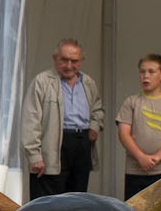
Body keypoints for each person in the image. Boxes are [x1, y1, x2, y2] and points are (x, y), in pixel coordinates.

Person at [20, 39, 104, 199]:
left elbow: (98, 108)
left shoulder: (88, 83)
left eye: (74, 61)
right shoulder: (42, 82)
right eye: (64, 60)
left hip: (81, 143)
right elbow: (30, 120)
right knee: (48, 200)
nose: (69, 66)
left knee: (77, 198)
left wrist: (94, 126)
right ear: (55, 58)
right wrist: (34, 156)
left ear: (81, 61)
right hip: (53, 145)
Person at [115, 53, 161, 211]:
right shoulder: (131, 102)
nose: (146, 76)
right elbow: (123, 134)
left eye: (151, 71)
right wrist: (141, 157)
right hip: (135, 169)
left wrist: (157, 157)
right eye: (142, 72)